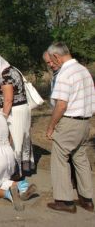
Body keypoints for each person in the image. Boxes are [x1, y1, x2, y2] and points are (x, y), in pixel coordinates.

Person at [45, 42, 94, 213]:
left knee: (60, 159)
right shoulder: (83, 70)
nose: (51, 63)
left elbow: (61, 105)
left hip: (69, 121)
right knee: (80, 158)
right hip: (85, 121)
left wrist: (51, 126)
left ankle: (64, 201)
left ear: (56, 56)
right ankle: (87, 199)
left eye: (51, 60)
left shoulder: (65, 73)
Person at [0, 53, 34, 176]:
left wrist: (3, 118)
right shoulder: (13, 70)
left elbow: (8, 100)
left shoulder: (5, 76)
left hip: (14, 111)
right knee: (23, 137)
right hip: (22, 108)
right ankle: (25, 167)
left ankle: (16, 171)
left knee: (15, 140)